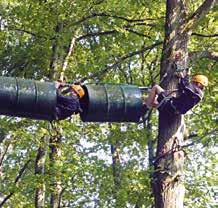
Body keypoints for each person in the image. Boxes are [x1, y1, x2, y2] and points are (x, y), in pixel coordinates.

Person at [143, 71, 208, 115]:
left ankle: (145, 109)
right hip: (172, 110)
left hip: (170, 106)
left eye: (194, 82)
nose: (192, 83)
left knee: (156, 87)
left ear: (199, 84)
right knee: (148, 99)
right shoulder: (196, 94)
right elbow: (182, 88)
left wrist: (182, 77)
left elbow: (184, 87)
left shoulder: (197, 92)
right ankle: (145, 105)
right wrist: (183, 77)